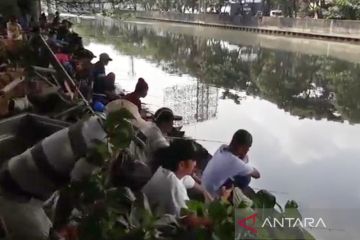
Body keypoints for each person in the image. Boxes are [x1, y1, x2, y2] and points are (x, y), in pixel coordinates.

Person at [0, 116, 107, 240]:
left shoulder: (90, 124)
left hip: (11, 172)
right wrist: (58, 227)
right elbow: (71, 193)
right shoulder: (97, 151)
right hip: (15, 194)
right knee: (43, 236)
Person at [142, 139, 215, 228]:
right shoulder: (174, 185)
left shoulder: (166, 171)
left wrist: (207, 195)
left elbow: (191, 183)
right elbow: (189, 221)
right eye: (193, 160)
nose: (195, 164)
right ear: (181, 165)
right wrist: (216, 219)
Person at [201, 129, 260, 197]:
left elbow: (240, 161)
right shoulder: (234, 162)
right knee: (246, 178)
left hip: (203, 182)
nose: (248, 150)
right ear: (241, 147)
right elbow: (257, 175)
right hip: (209, 193)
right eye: (247, 148)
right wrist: (244, 160)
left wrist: (243, 158)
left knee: (239, 172)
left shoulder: (222, 147)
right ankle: (231, 198)